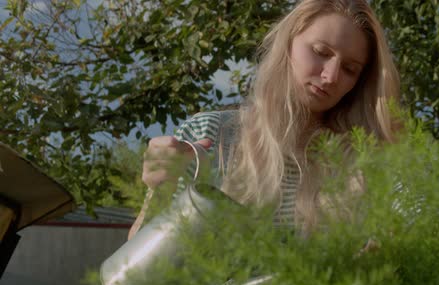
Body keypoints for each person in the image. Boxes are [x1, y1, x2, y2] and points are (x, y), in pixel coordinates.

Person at [132, 0, 402, 240]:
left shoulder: (358, 167)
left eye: (349, 69)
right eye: (321, 52)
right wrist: (160, 190)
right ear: (288, 43)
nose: (331, 76)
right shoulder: (213, 134)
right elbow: (134, 275)